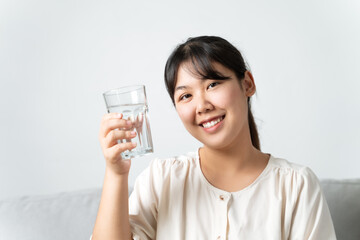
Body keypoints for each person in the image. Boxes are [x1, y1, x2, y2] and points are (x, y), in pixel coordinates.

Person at [92, 36, 337, 239]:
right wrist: (116, 173)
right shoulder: (162, 179)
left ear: (247, 84)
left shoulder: (296, 185)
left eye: (212, 85)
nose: (202, 105)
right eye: (185, 96)